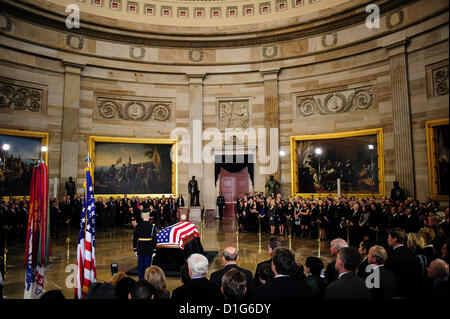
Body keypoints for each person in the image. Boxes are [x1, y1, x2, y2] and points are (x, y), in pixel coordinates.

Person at [385, 228, 420, 298]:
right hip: (411, 291)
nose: (387, 239)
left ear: (395, 239)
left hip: (397, 292)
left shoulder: (392, 256)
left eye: (389, 237)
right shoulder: (411, 253)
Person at [132, 211, 156, 279]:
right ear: (149, 217)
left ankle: (140, 280)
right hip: (148, 248)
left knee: (140, 265)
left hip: (140, 248)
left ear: (142, 217)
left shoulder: (138, 226)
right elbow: (154, 239)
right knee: (147, 266)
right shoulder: (152, 226)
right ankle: (147, 279)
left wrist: (135, 249)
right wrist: (154, 250)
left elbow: (134, 239)